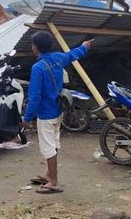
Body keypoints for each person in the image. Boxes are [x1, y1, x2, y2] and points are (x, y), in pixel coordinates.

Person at [22, 31, 91, 194]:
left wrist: (27, 117)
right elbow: (72, 55)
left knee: (48, 148)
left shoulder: (37, 67)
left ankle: (53, 182)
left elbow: (34, 96)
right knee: (53, 143)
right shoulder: (58, 58)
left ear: (34, 47)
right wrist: (84, 47)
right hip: (58, 110)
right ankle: (48, 174)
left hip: (45, 114)